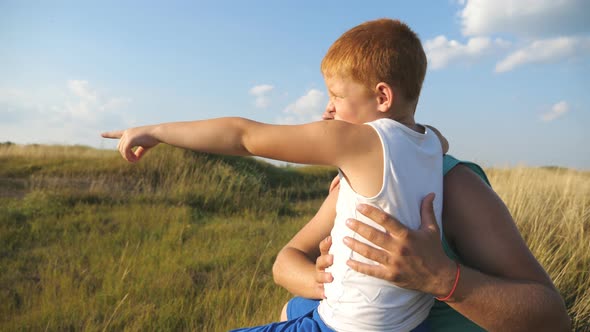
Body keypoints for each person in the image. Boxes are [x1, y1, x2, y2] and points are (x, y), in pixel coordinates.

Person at [103, 18, 450, 331]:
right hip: (407, 323)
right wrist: (355, 176)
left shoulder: (362, 140)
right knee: (296, 306)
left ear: (383, 96)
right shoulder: (431, 141)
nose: (329, 108)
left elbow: (244, 136)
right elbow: (424, 147)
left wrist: (156, 131)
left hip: (347, 327)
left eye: (338, 96)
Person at [271, 130, 572, 330]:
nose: (326, 116)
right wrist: (328, 280)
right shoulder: (346, 189)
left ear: (382, 103)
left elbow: (553, 319)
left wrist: (440, 278)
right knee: (294, 309)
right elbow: (285, 262)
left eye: (338, 98)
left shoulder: (453, 185)